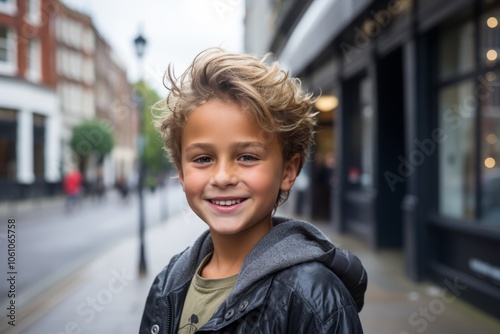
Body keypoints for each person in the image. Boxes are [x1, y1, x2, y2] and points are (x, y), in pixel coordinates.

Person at [139, 48, 367, 333]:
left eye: (247, 157)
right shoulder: (167, 284)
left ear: (287, 171)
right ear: (182, 174)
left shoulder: (314, 297)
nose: (222, 177)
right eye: (203, 159)